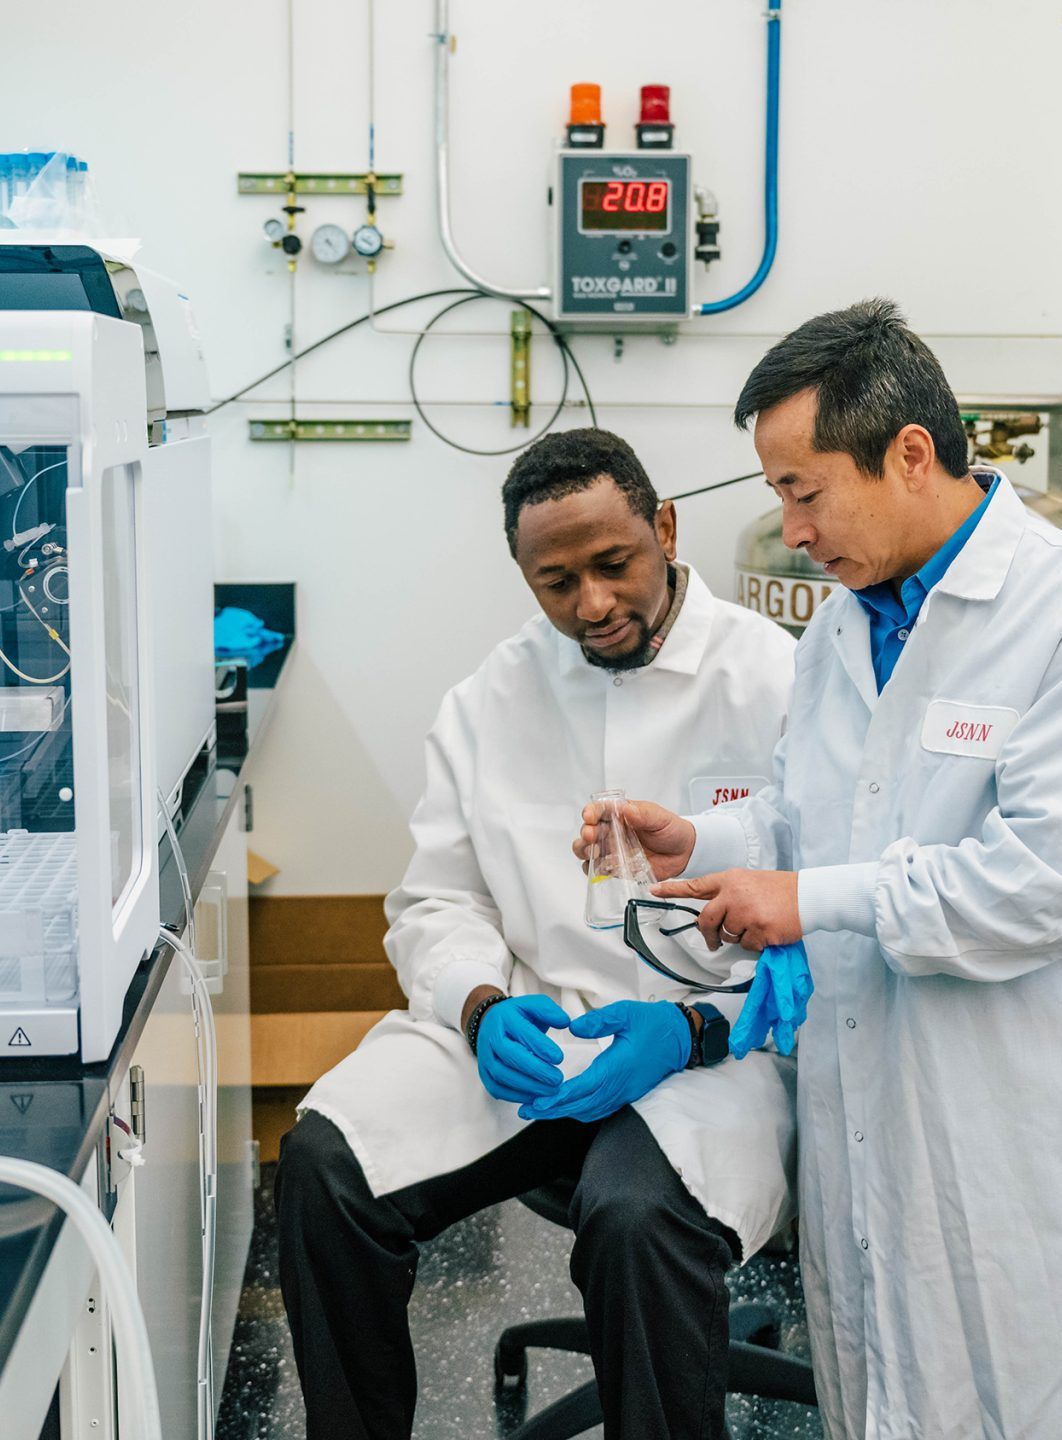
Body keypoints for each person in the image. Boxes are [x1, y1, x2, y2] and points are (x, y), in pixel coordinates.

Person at [580, 300, 1062, 1439]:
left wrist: (803, 903)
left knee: (1032, 1400)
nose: (793, 530)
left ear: (909, 454)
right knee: (876, 1392)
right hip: (867, 1096)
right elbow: (819, 817)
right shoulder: (844, 628)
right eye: (778, 500)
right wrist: (701, 842)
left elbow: (1038, 885)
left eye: (804, 491)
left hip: (1014, 1108)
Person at [279, 428, 799, 1440]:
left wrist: (693, 1029)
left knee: (637, 1217)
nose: (592, 606)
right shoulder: (490, 700)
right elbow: (437, 901)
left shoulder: (776, 683)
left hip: (717, 1052)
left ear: (665, 529)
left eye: (614, 566)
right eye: (555, 582)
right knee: (324, 1167)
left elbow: (823, 913)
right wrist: (479, 1004)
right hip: (536, 1034)